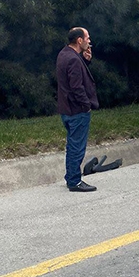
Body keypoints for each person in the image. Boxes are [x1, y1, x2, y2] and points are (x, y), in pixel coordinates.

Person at [56, 27, 99, 192]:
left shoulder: (64, 54)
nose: (89, 41)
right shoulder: (73, 59)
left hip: (66, 109)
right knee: (77, 147)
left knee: (72, 145)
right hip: (77, 110)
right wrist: (86, 106)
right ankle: (74, 181)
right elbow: (76, 87)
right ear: (79, 40)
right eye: (87, 38)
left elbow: (71, 76)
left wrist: (85, 61)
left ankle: (71, 177)